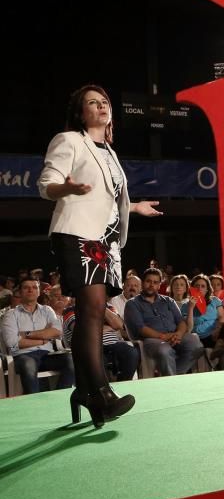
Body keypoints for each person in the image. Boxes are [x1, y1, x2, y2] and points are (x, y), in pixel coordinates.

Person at [37, 85, 162, 427]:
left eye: (104, 101)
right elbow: (46, 183)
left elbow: (106, 199)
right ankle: (100, 394)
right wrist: (68, 188)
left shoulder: (108, 150)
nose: (101, 106)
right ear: (81, 113)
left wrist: (135, 207)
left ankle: (85, 390)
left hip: (106, 240)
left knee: (95, 313)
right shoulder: (69, 140)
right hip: (77, 234)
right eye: (92, 103)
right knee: (91, 312)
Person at [0, 279, 75, 393]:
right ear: (20, 292)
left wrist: (27, 334)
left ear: (39, 292)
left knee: (71, 359)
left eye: (34, 287)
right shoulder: (11, 315)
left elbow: (57, 331)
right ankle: (35, 404)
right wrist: (43, 340)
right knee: (29, 364)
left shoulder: (47, 310)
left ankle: (58, 397)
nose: (31, 290)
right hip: (23, 356)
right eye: (26, 287)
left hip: (47, 355)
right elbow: (12, 343)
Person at [125, 268, 204, 376]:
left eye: (155, 282)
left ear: (159, 285)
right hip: (151, 340)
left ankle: (173, 377)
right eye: (148, 281)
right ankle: (172, 383)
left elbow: (181, 322)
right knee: (165, 350)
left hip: (175, 336)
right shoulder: (132, 304)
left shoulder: (168, 301)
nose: (152, 285)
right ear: (143, 283)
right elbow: (141, 328)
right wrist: (164, 336)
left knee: (196, 345)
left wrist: (179, 334)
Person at [189, 273, 224, 364]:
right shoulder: (187, 303)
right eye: (197, 286)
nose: (200, 288)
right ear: (192, 287)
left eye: (203, 286)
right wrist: (191, 307)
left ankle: (219, 345)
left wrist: (217, 331)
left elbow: (222, 317)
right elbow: (187, 326)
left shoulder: (215, 300)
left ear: (207, 288)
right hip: (196, 337)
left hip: (213, 334)